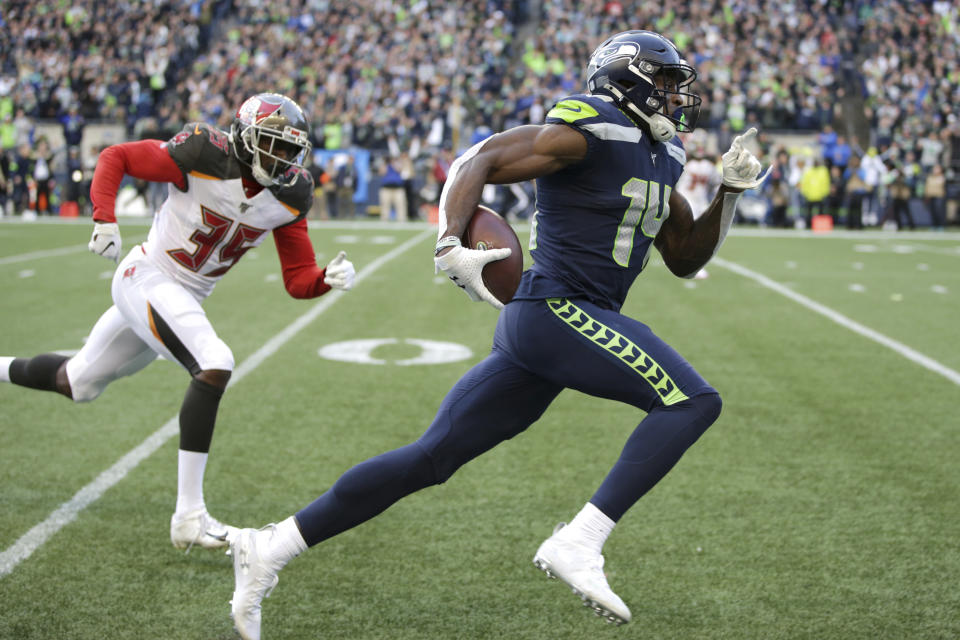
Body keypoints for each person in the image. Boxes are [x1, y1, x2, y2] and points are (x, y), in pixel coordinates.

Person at [227, 31, 768, 640]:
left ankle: (270, 545)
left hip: (553, 325)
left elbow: (685, 258)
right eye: (667, 84)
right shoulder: (589, 126)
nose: (677, 98)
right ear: (631, 79)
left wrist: (729, 193)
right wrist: (450, 242)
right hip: (556, 308)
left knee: (430, 458)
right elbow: (477, 160)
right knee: (692, 401)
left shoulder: (661, 155)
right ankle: (580, 542)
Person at [0, 93, 356, 552]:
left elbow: (297, 278)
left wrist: (324, 278)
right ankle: (190, 515)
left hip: (181, 296)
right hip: (147, 275)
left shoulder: (291, 192)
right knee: (215, 361)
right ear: (245, 138)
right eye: (273, 145)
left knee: (78, 381)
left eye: (291, 150)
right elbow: (117, 156)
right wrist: (104, 218)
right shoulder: (204, 151)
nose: (283, 158)